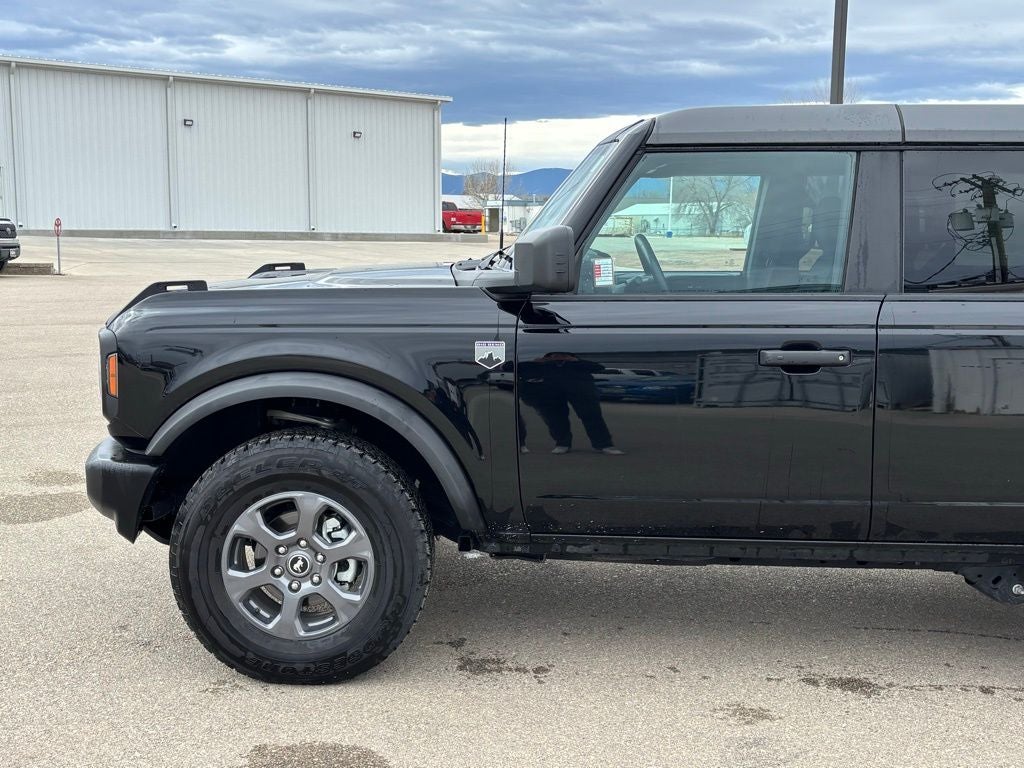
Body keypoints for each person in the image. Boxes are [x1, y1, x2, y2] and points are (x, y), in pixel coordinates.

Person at [519, 352, 623, 454]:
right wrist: (536, 362)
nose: (559, 357)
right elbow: (518, 369)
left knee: (592, 416)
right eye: (555, 355)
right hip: (551, 393)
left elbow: (598, 367)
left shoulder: (577, 363)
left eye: (562, 355)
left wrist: (575, 361)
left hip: (581, 393)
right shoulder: (543, 364)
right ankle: (562, 444)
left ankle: (605, 445)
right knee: (555, 419)